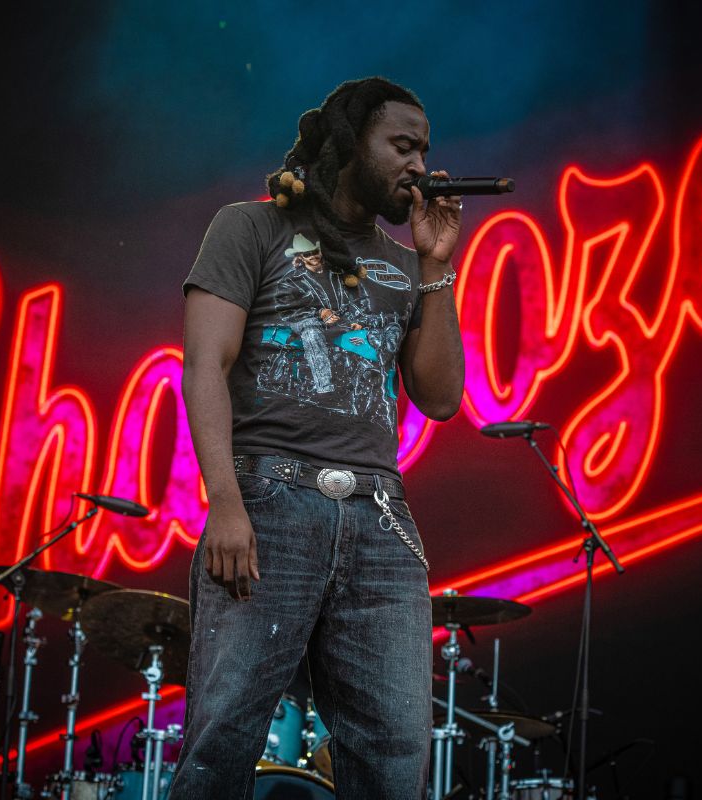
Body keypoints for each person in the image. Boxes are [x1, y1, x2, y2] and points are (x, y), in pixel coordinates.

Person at [171, 76, 464, 800]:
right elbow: (205, 365)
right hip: (271, 500)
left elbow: (442, 397)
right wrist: (226, 502)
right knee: (223, 737)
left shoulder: (403, 266)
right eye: (402, 146)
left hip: (379, 516)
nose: (419, 166)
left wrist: (435, 268)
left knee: (394, 748)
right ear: (350, 145)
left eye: (424, 150)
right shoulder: (249, 228)